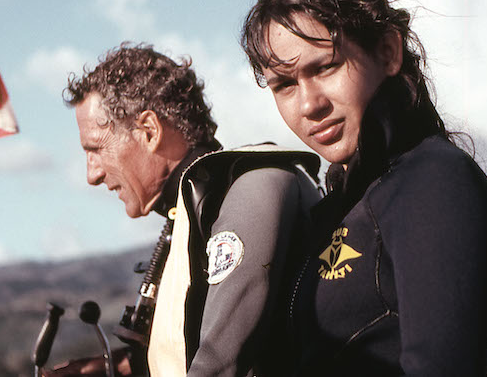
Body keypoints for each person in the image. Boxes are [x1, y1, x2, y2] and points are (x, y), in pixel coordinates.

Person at [240, 0, 487, 376]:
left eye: (325, 66)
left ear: (388, 52)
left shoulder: (432, 182)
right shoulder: (347, 199)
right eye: (285, 85)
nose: (309, 104)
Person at [63, 44, 321, 377]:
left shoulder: (254, 185)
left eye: (95, 149)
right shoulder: (192, 211)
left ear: (149, 131)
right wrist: (116, 367)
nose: (92, 174)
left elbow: (220, 362)